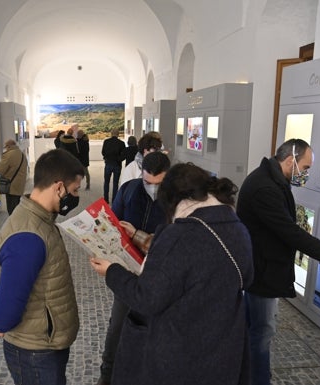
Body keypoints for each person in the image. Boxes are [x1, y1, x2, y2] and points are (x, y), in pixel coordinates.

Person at [90, 163, 254, 385]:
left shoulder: (180, 234)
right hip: (224, 345)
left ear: (173, 200)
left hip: (181, 352)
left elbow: (147, 298)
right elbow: (247, 276)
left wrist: (111, 271)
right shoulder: (237, 228)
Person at [236, 138, 320, 385]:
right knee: (262, 330)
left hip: (262, 267)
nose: (307, 173)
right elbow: (289, 231)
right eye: (307, 167)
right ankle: (256, 379)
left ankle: (246, 371)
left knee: (254, 327)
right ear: (291, 161)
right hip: (262, 272)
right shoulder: (265, 188)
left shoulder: (271, 180)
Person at [0, 149, 85, 385]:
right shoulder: (28, 237)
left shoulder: (39, 220)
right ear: (58, 187)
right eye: (75, 190)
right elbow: (10, 301)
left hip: (43, 345)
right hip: (35, 352)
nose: (76, 196)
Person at [95, 151, 170, 385]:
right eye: (148, 182)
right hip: (128, 273)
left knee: (155, 332)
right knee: (117, 328)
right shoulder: (129, 189)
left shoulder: (177, 200)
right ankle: (107, 376)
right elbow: (111, 222)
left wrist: (141, 237)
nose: (153, 188)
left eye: (159, 184)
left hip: (160, 276)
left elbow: (174, 240)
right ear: (142, 174)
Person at [0, 139, 28, 215]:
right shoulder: (22, 154)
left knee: (11, 209)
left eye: (6, 147)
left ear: (8, 146)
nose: (6, 148)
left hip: (11, 186)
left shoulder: (8, 155)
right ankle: (17, 223)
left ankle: (14, 225)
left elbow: (1, 170)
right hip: (20, 185)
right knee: (17, 206)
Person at [101, 127, 125, 203]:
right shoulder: (121, 143)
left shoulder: (106, 141)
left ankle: (106, 199)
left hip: (108, 164)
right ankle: (114, 200)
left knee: (106, 182)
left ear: (111, 134)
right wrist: (118, 160)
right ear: (118, 134)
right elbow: (123, 155)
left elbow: (103, 152)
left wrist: (106, 158)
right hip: (117, 165)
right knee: (115, 183)